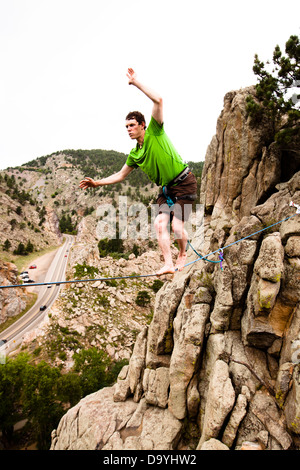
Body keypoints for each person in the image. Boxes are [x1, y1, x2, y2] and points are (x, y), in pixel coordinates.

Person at [79, 68, 197, 276]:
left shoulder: (155, 131)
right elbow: (121, 175)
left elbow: (159, 100)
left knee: (177, 226)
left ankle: (182, 255)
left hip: (184, 181)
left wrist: (136, 83)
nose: (128, 129)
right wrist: (97, 183)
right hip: (166, 190)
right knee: (160, 224)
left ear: (142, 125)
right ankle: (168, 264)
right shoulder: (135, 154)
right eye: (126, 126)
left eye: (132, 125)